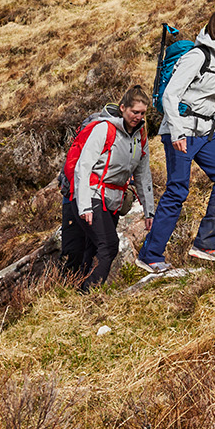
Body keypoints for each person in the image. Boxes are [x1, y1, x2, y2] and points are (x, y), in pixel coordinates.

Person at [139, 6, 215, 270]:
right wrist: (177, 132)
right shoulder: (198, 56)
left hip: (207, 135)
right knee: (177, 190)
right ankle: (150, 255)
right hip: (182, 131)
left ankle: (206, 244)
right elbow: (170, 96)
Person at [61, 87, 155, 291]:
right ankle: (89, 292)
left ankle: (78, 291)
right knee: (109, 245)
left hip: (113, 200)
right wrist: (84, 206)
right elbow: (83, 167)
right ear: (122, 108)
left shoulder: (141, 136)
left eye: (142, 113)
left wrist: (149, 211)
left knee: (94, 247)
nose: (138, 117)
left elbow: (143, 174)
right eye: (134, 112)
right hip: (92, 195)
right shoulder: (104, 129)